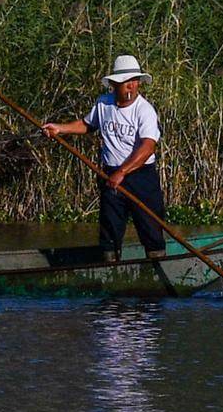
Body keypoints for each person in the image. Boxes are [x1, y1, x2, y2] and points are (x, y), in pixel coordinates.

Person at [42, 55, 168, 259]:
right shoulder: (104, 104)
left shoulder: (144, 110)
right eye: (126, 82)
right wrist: (60, 129)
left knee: (150, 226)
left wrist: (123, 172)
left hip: (140, 177)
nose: (131, 87)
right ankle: (109, 265)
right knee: (110, 229)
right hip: (110, 175)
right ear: (114, 85)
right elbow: (87, 125)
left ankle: (157, 265)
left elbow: (148, 147)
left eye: (134, 81)